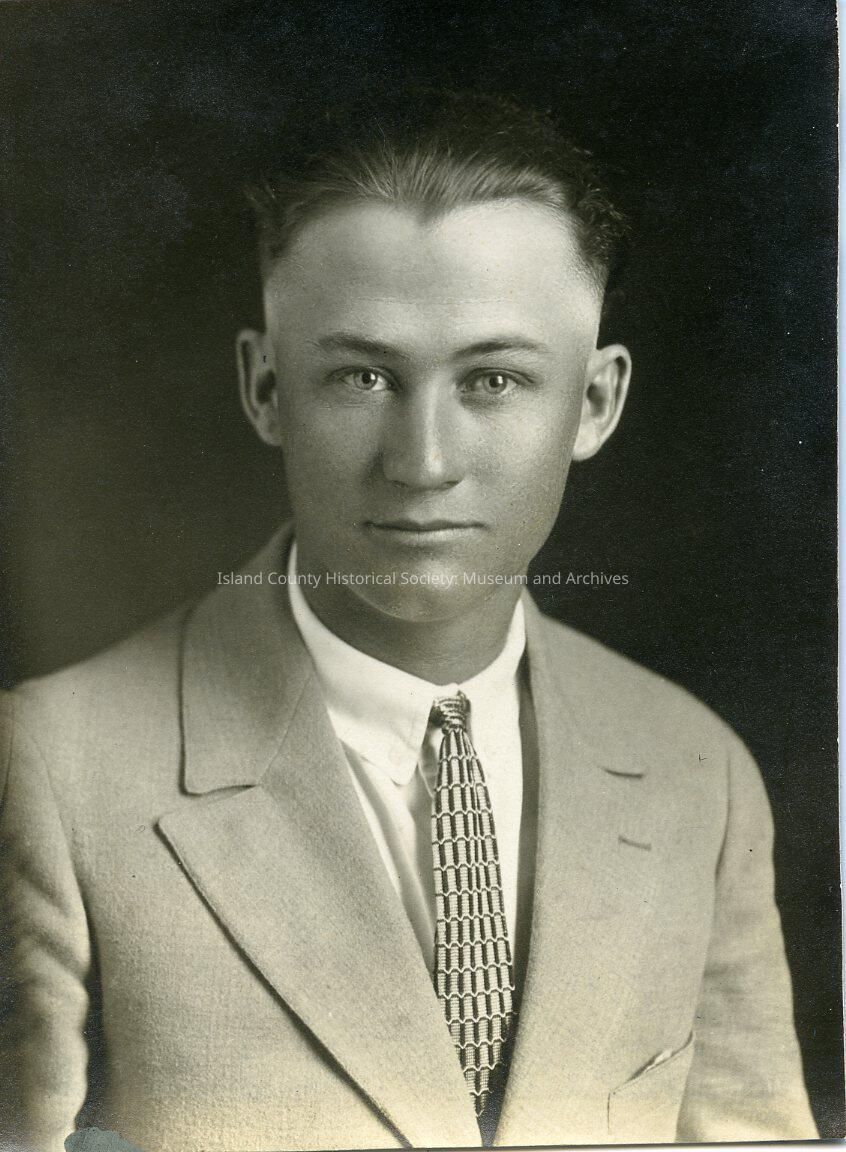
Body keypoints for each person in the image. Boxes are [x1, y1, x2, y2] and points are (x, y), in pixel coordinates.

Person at [0, 89, 818, 1151]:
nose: (422, 463)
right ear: (266, 388)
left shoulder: (695, 769)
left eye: (493, 379)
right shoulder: (52, 769)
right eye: (362, 375)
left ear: (596, 404)